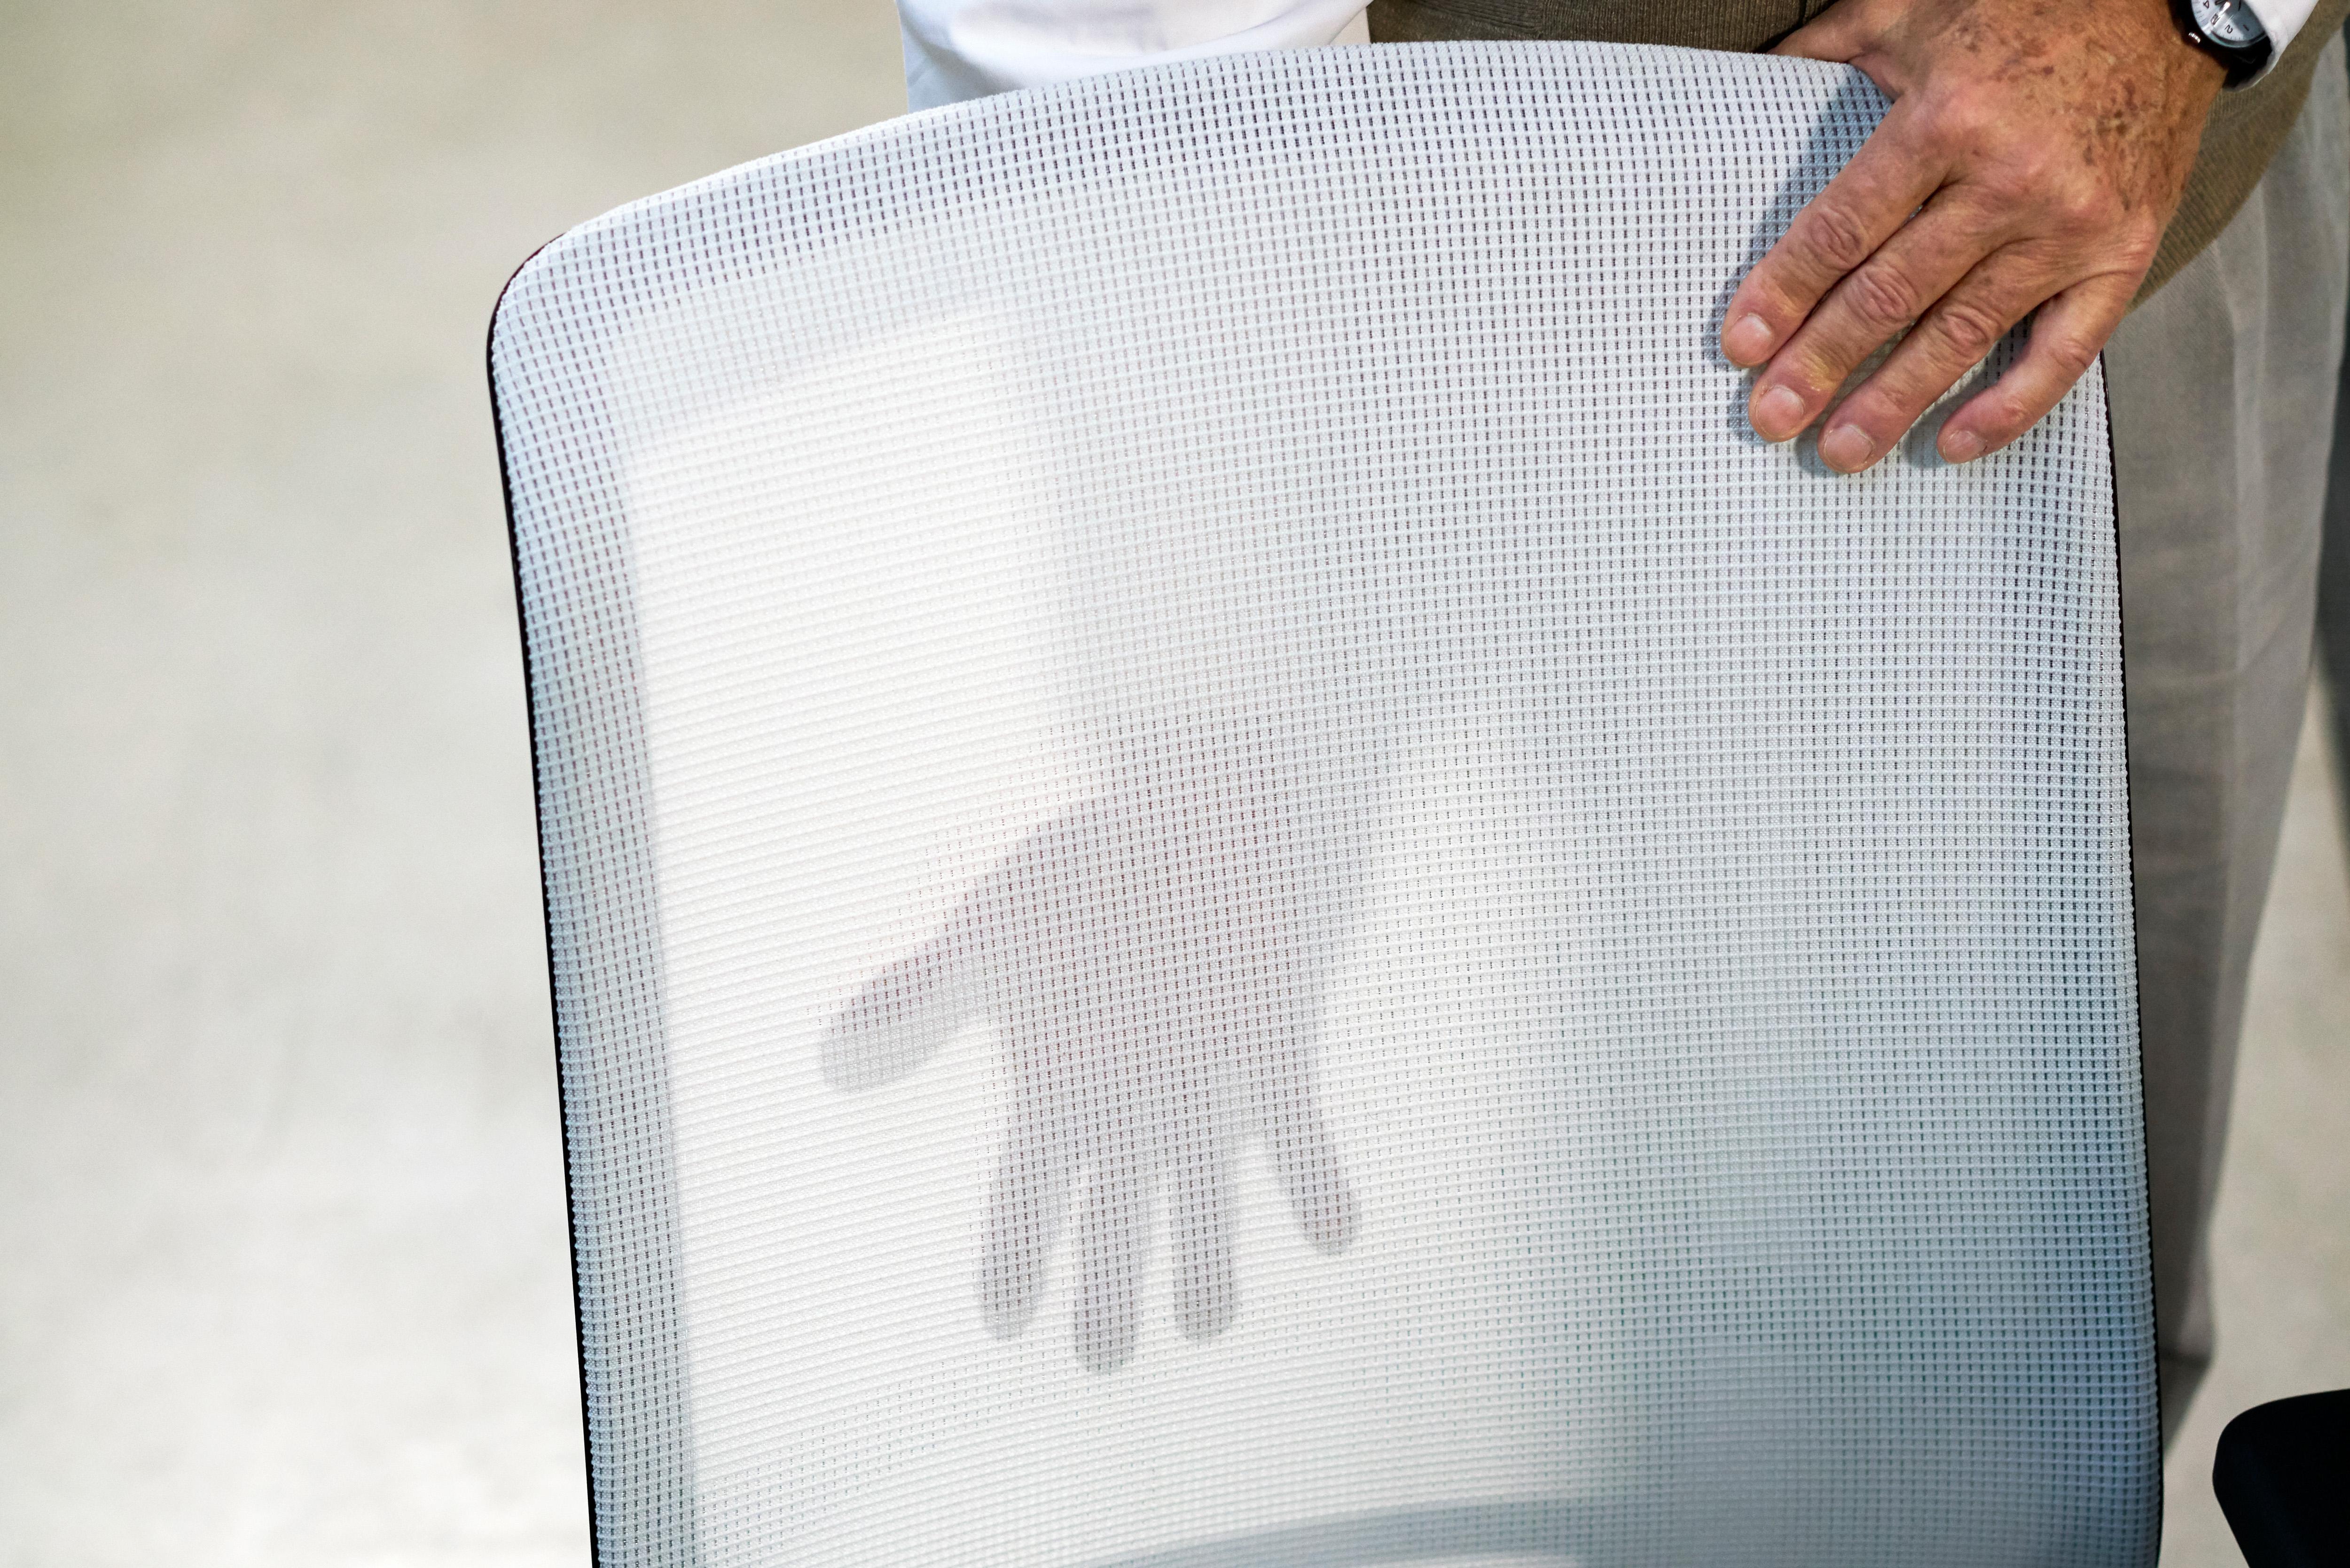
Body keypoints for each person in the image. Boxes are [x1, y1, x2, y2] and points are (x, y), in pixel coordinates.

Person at [890, 0, 2350, 1438]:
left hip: (2065, 200)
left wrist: (2188, 15)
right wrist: (1202, 693)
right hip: (1388, 266)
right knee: (1381, 1298)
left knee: (2007, 1323)